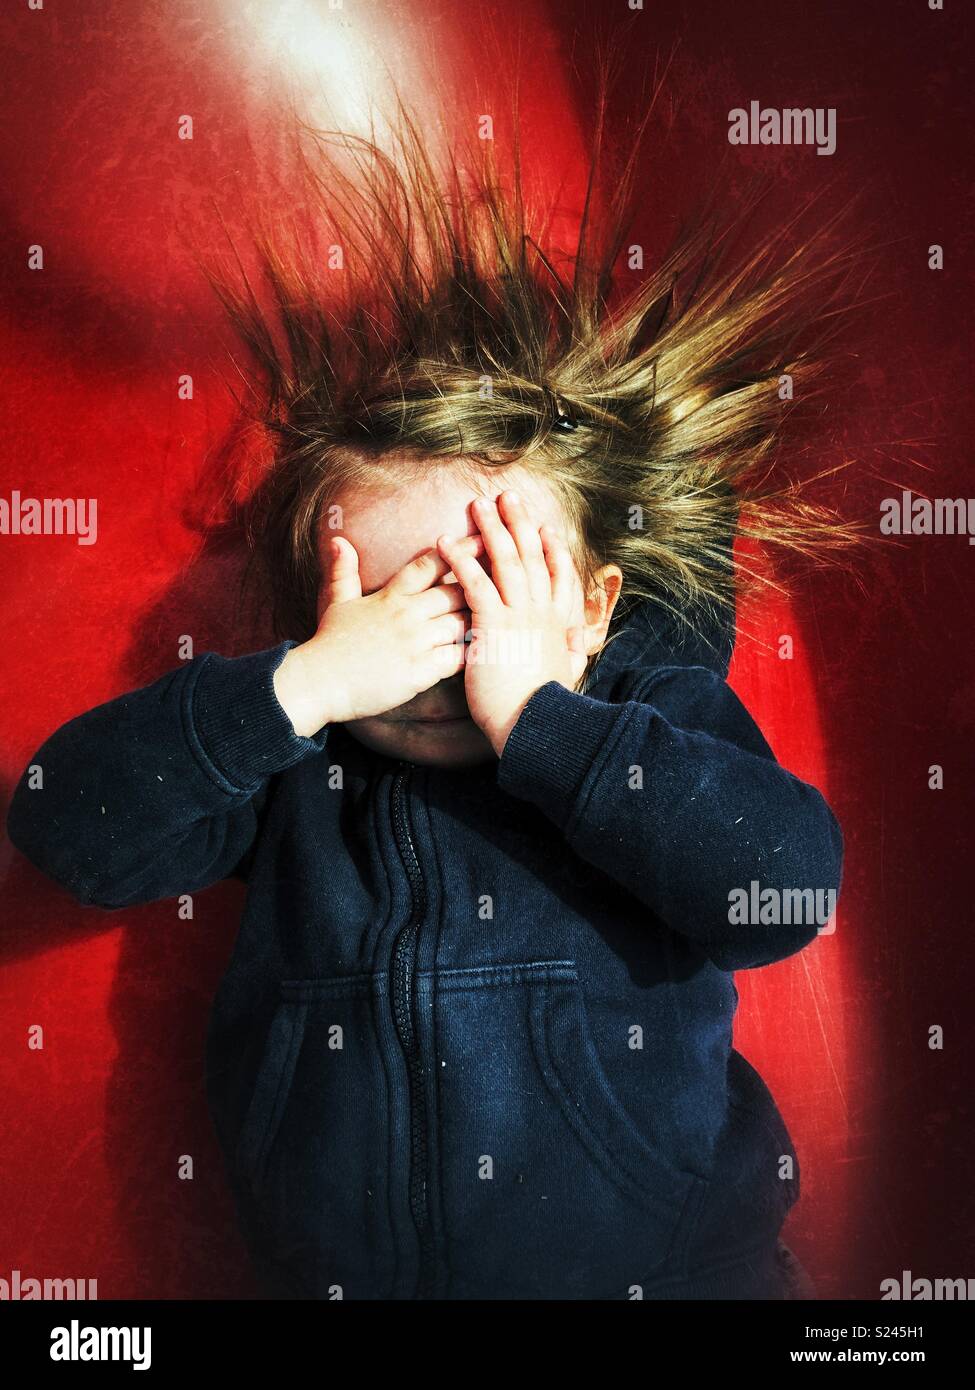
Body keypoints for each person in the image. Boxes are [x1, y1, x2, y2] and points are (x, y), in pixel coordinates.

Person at [6, 92, 855, 1300]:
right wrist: (298, 689)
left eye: (485, 597)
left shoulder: (645, 719)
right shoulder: (302, 751)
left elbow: (788, 890)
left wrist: (555, 727)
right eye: (396, 613)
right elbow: (61, 824)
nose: (445, 655)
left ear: (594, 606)